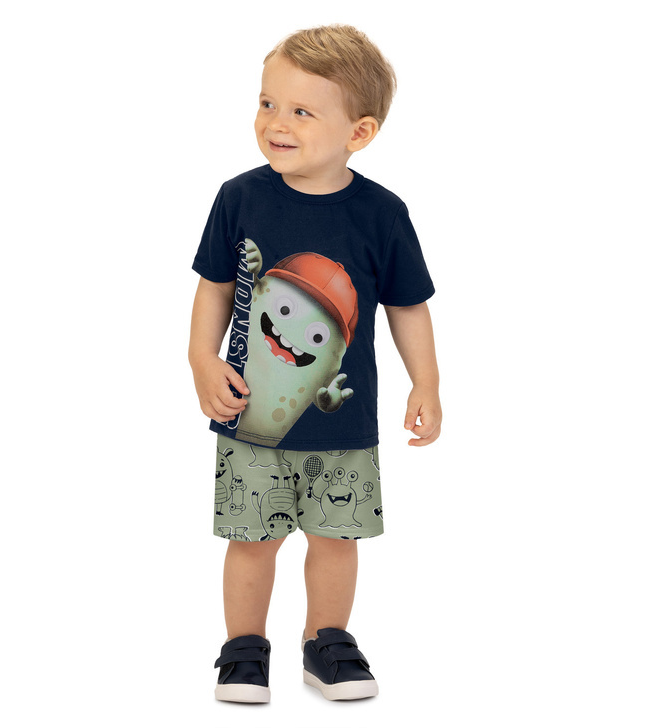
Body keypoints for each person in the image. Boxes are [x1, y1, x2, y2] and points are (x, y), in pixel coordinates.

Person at [189, 24, 441, 703]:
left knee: (335, 540)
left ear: (359, 132)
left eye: (301, 111)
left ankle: (326, 643)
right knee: (251, 541)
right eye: (267, 103)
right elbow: (214, 288)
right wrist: (201, 359)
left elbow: (408, 305)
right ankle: (244, 649)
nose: (276, 123)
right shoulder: (239, 198)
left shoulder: (382, 214)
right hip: (249, 418)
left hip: (344, 427)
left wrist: (426, 382)